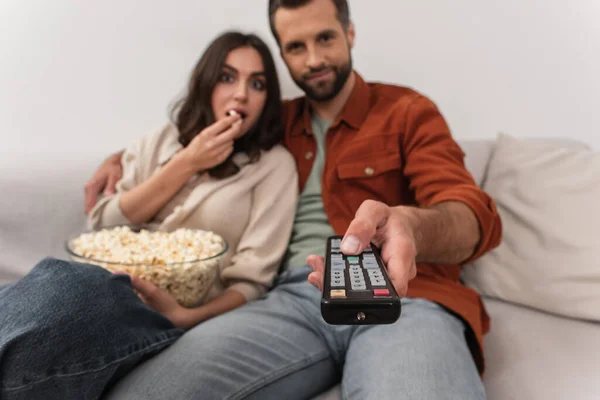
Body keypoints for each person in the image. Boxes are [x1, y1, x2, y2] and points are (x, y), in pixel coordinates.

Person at [87, 1, 502, 399]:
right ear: (283, 55)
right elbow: (189, 134)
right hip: (291, 301)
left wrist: (410, 225)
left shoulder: (407, 110)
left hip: (405, 299)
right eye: (296, 48)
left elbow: (471, 216)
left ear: (350, 33)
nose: (314, 59)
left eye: (325, 39)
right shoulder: (272, 120)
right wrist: (118, 161)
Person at [0, 31, 297, 400]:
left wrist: (187, 317)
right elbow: (103, 222)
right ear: (205, 83)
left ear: (268, 99)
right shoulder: (163, 140)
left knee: (53, 308)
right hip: (97, 281)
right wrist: (187, 163)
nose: (240, 93)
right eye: (227, 77)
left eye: (257, 84)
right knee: (45, 285)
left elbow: (252, 280)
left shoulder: (274, 166)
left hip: (164, 312)